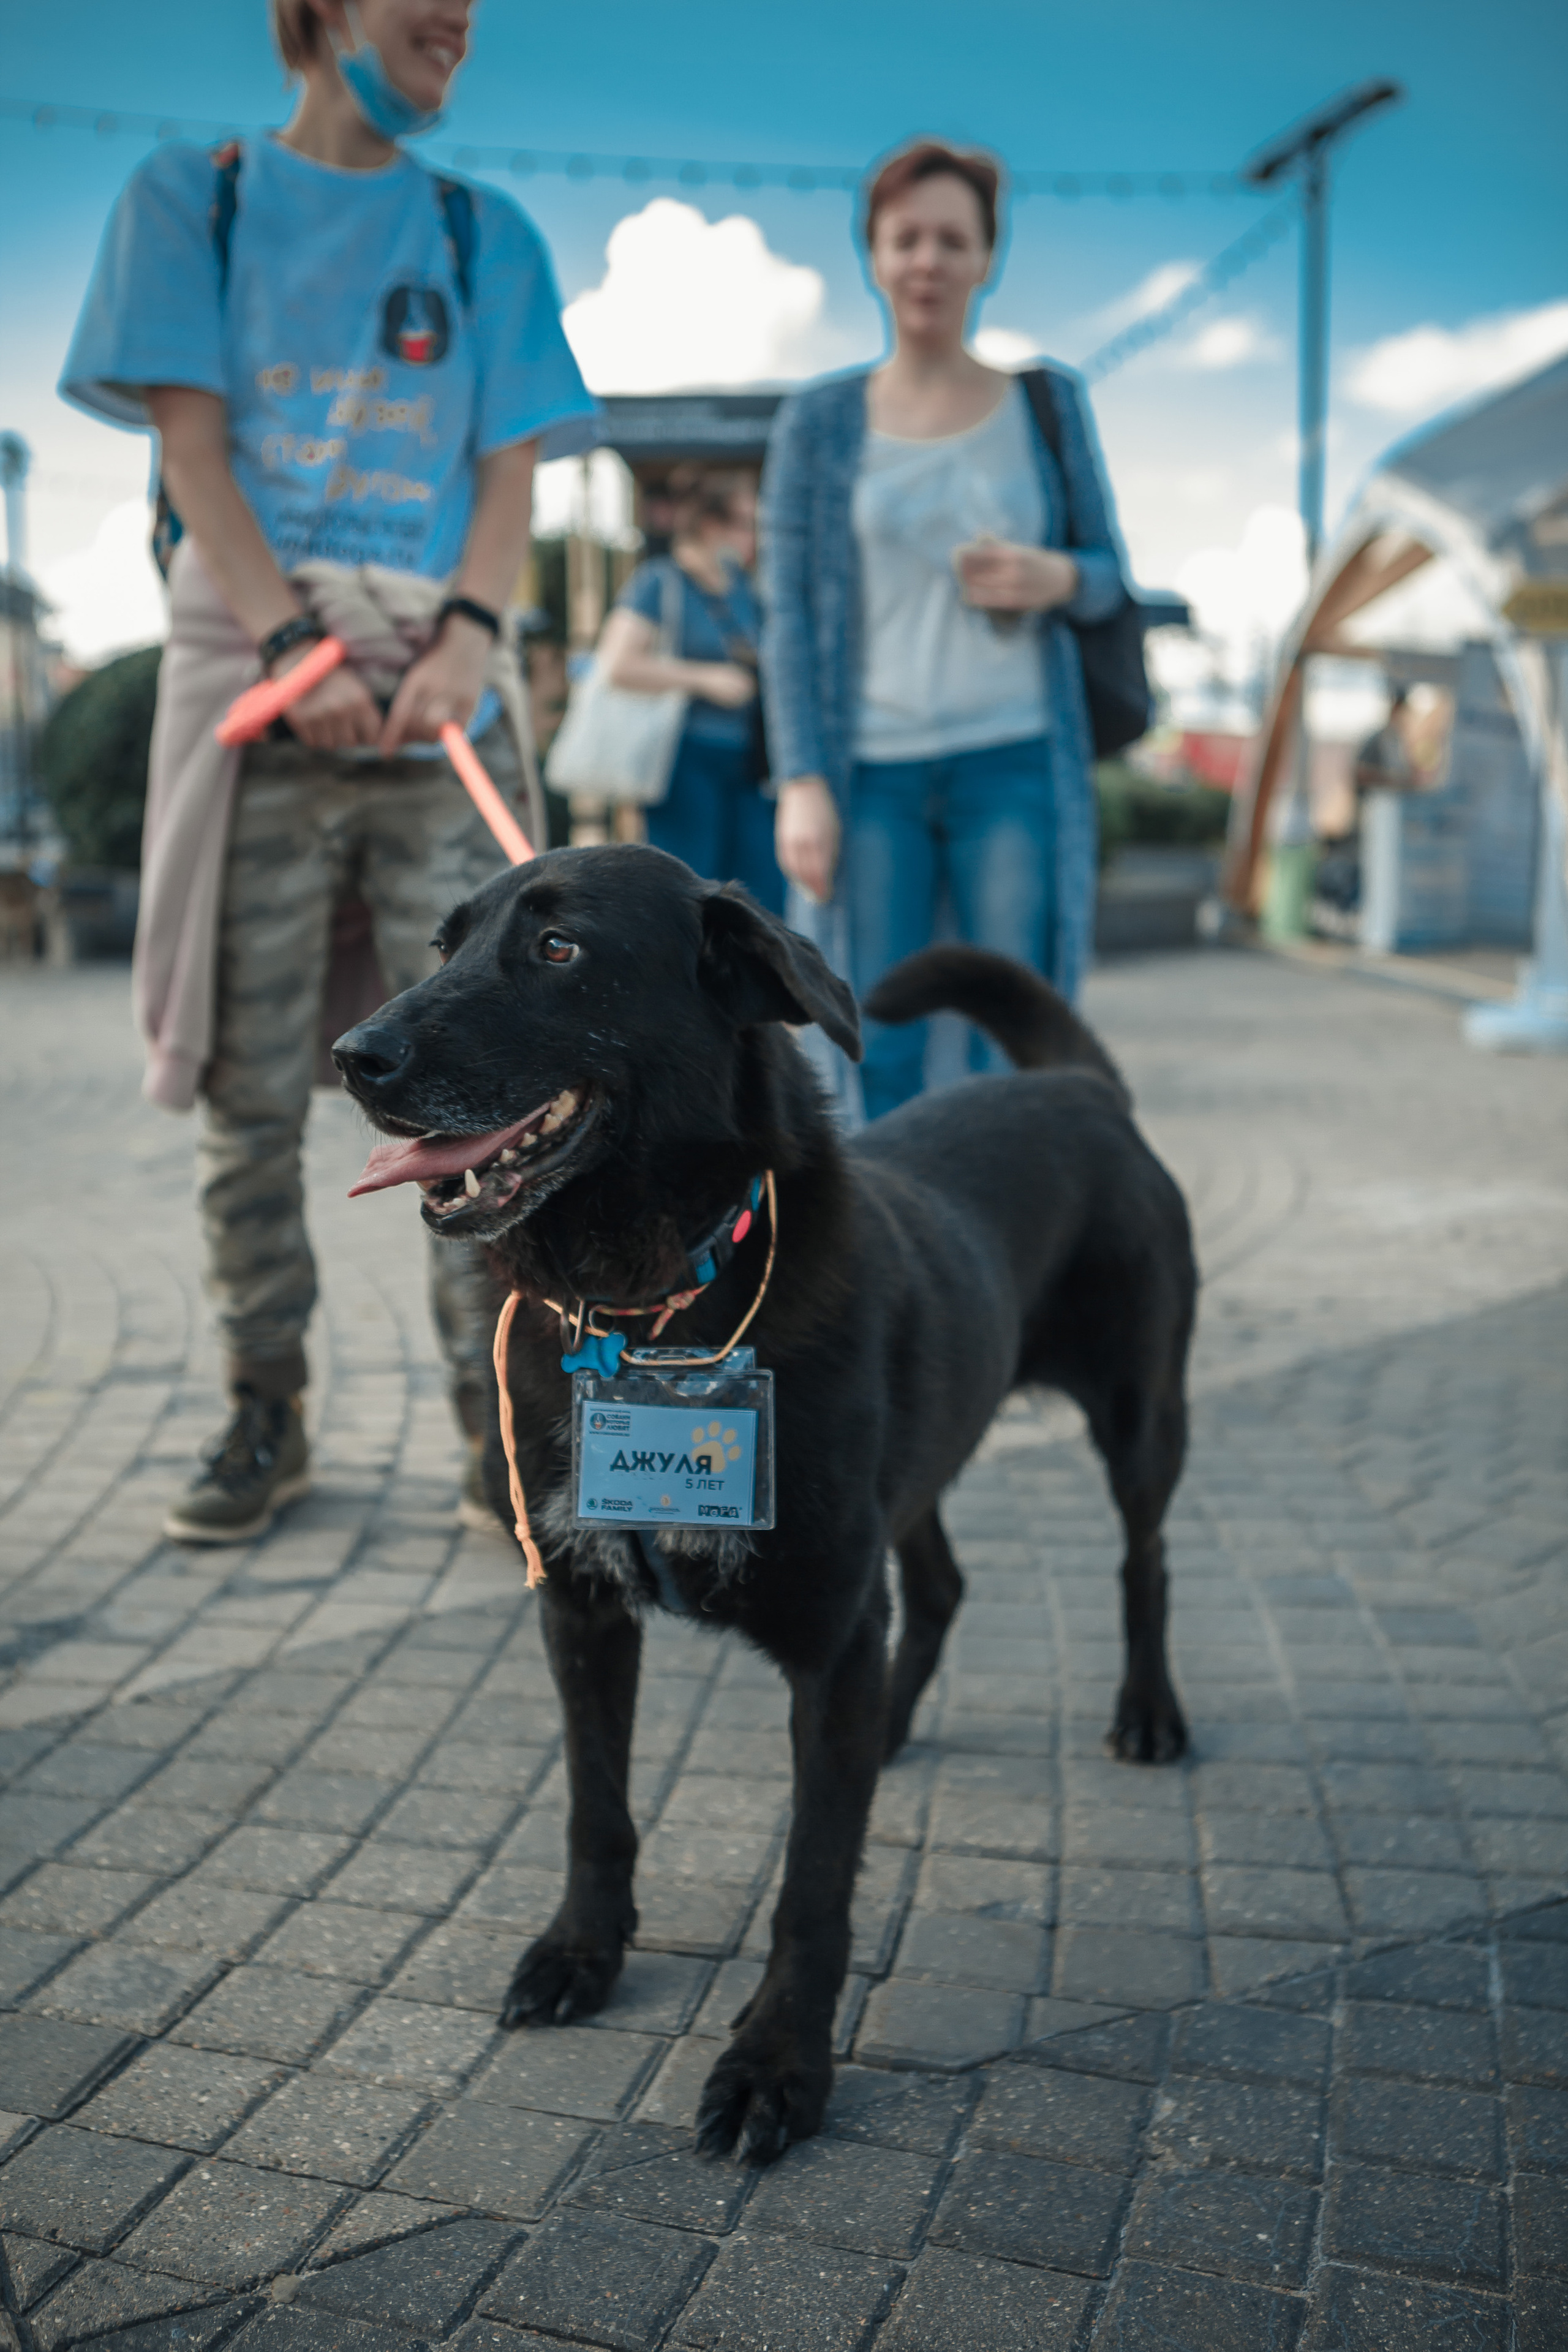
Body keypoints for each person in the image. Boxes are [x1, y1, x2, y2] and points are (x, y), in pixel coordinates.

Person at [58, 0, 597, 1541]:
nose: (462, 20)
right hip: (256, 698)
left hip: (438, 705)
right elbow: (194, 452)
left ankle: (501, 1422)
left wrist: (470, 638)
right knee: (248, 1092)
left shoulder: (484, 234)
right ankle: (263, 1406)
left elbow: (507, 471)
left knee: (496, 1080)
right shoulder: (193, 199)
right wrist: (296, 645)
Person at [760, 138, 1129, 1120]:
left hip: (1014, 757)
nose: (929, 260)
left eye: (953, 240)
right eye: (907, 238)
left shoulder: (1046, 404)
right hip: (870, 770)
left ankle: (1017, 1212)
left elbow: (1110, 579)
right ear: (874, 254)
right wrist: (802, 780)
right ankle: (892, 1218)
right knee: (876, 1032)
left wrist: (1056, 576)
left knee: (1015, 1030)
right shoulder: (818, 420)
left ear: (987, 258)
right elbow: (787, 613)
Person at [596, 467, 783, 912]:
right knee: (690, 894)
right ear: (711, 525)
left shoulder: (745, 589)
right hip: (684, 761)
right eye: (747, 524)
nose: (756, 537)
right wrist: (703, 679)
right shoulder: (660, 582)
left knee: (762, 895)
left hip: (748, 764)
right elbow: (618, 665)